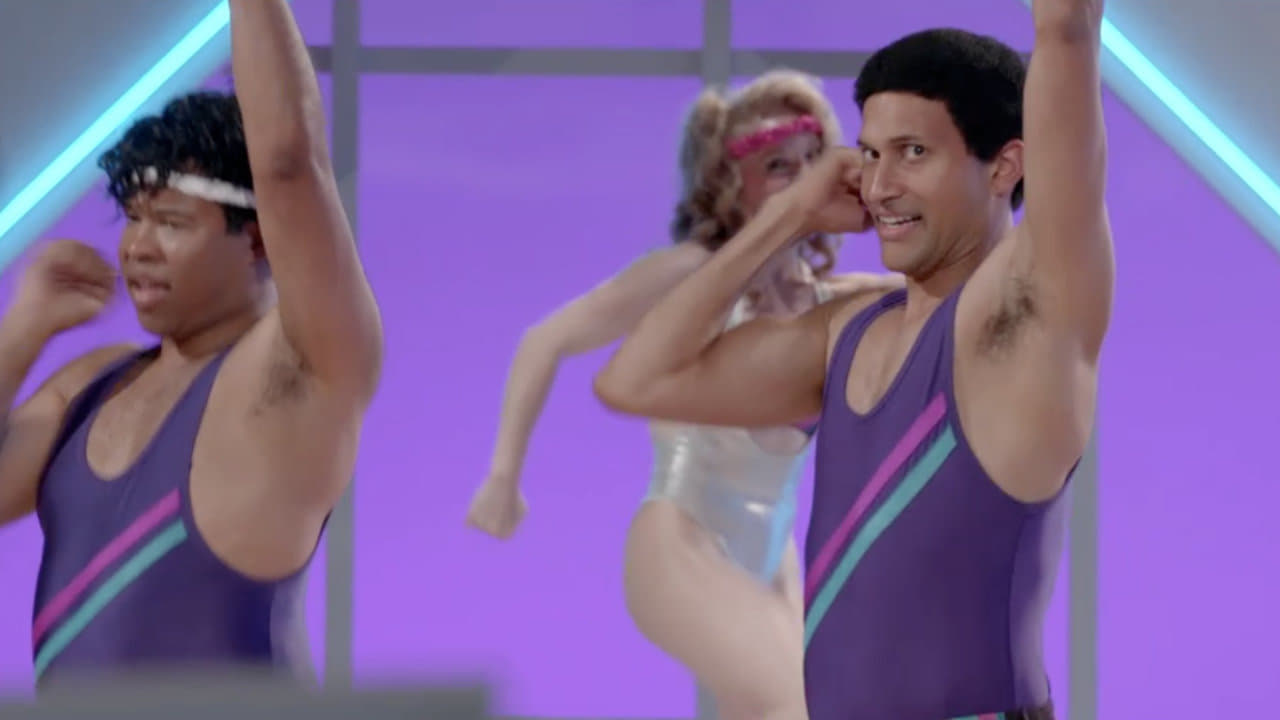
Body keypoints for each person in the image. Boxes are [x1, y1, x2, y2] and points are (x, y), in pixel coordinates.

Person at [594, 4, 1112, 719]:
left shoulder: (1023, 321)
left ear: (1005, 166)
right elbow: (639, 380)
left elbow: (1066, 40)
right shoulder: (845, 331)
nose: (879, 185)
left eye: (913, 152)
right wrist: (789, 216)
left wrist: (1066, 29)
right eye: (869, 154)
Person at [467, 71, 899, 720]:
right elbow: (545, 340)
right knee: (795, 706)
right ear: (731, 182)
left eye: (813, 160)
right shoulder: (691, 276)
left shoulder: (828, 299)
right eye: (778, 166)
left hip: (772, 556)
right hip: (679, 542)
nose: (803, 181)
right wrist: (503, 478)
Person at [0, 0, 382, 689]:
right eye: (132, 218)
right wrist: (23, 327)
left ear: (256, 239)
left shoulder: (299, 369)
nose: (137, 247)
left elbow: (289, 164)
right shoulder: (93, 386)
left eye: (171, 222)